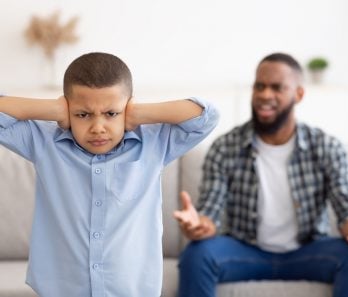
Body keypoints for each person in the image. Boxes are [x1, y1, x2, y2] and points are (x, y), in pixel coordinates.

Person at [0, 52, 219, 297]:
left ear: (127, 108)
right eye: (83, 114)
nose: (97, 127)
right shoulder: (43, 142)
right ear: (68, 109)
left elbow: (207, 117)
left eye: (111, 113)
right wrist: (52, 109)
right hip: (62, 290)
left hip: (132, 291)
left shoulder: (155, 143)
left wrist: (139, 113)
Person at [174, 53, 348, 297]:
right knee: (197, 254)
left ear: (299, 94)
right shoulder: (225, 147)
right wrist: (199, 225)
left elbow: (347, 214)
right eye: (260, 86)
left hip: (309, 252)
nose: (265, 95)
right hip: (245, 251)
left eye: (277, 87)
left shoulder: (327, 147)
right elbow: (210, 214)